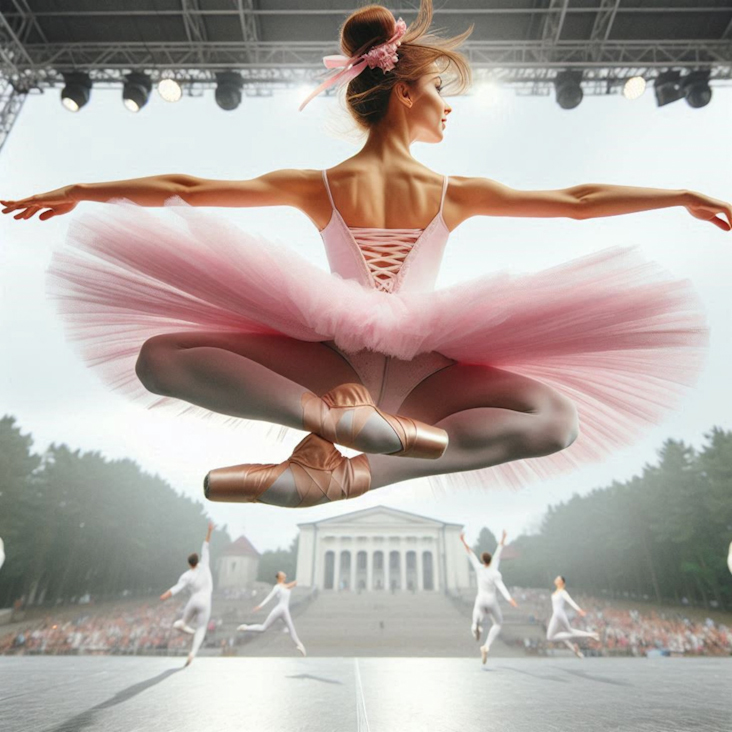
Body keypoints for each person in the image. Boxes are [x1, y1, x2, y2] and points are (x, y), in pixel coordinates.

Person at [1, 1, 721, 507]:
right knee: (553, 421)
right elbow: (578, 201)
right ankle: (345, 450)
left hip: (337, 368)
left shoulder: (320, 186)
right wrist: (682, 195)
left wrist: (78, 188)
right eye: (440, 91)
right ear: (405, 93)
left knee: (158, 358)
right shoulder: (455, 192)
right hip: (414, 380)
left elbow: (188, 186)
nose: (449, 105)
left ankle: (330, 439)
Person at [160, 521, 214, 667]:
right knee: (201, 628)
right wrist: (209, 531)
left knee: (180, 623)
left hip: (193, 601)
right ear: (198, 561)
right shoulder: (204, 566)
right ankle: (192, 653)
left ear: (189, 563)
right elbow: (205, 547)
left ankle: (188, 629)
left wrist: (166, 594)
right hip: (205, 601)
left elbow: (178, 587)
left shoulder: (187, 575)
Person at [460, 529, 518, 664]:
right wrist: (510, 599)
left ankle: (476, 626)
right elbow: (499, 550)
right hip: (491, 600)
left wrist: (463, 541)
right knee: (498, 623)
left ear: (483, 560)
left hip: (480, 599)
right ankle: (486, 646)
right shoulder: (495, 571)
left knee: (476, 617)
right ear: (492, 559)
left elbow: (470, 553)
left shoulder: (479, 568)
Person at [237, 571, 306, 656]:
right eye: (282, 574)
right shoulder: (277, 587)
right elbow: (269, 597)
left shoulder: (286, 587)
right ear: (279, 577)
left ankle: (300, 645)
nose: (284, 574)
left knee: (291, 629)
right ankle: (245, 628)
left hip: (285, 610)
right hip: (279, 609)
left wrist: (297, 581)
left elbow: (290, 585)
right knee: (263, 628)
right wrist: (260, 606)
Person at [546, 576, 600, 658]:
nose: (556, 580)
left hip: (560, 614)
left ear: (562, 582)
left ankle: (592, 635)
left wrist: (579, 610)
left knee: (569, 632)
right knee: (550, 637)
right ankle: (575, 649)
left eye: (558, 579)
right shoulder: (554, 593)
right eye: (556, 578)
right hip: (555, 615)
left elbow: (570, 601)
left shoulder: (563, 592)